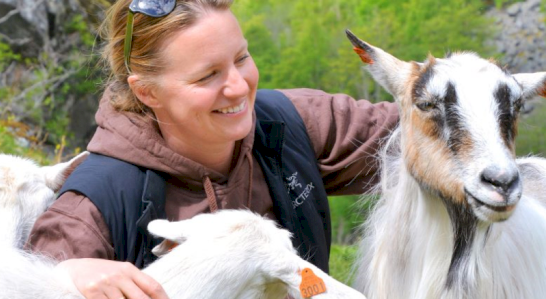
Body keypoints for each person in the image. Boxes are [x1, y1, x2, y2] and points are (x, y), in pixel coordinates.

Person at [25, 0, 399, 298]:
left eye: (241, 58)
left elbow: (433, 130)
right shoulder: (95, 205)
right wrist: (63, 274)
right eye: (208, 76)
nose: (238, 87)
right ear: (147, 92)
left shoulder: (292, 126)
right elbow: (17, 280)